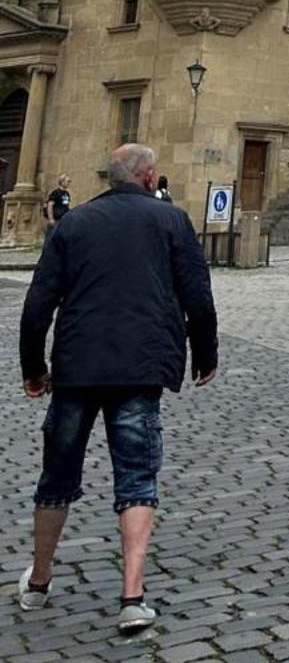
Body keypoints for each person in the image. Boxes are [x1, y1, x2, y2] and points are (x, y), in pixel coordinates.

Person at [17, 143, 217, 635]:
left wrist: (32, 367)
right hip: (139, 367)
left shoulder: (74, 223)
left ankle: (40, 582)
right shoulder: (171, 221)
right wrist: (205, 355)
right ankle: (132, 597)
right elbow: (198, 294)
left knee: (56, 476)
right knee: (137, 478)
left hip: (76, 367)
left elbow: (38, 302)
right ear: (149, 177)